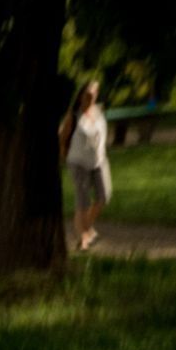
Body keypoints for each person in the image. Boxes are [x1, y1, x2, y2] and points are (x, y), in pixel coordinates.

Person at [61, 81, 110, 253]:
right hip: (78, 162)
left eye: (94, 95)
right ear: (81, 95)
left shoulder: (99, 112)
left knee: (104, 196)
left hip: (99, 160)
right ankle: (83, 239)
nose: (90, 98)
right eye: (87, 95)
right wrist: (64, 158)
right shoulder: (73, 116)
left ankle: (87, 229)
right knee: (83, 200)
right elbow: (62, 139)